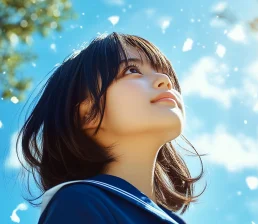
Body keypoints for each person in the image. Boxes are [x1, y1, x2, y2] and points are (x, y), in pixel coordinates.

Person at [15, 32, 207, 223]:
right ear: (88, 114)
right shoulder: (80, 201)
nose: (165, 80)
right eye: (132, 70)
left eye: (164, 71)